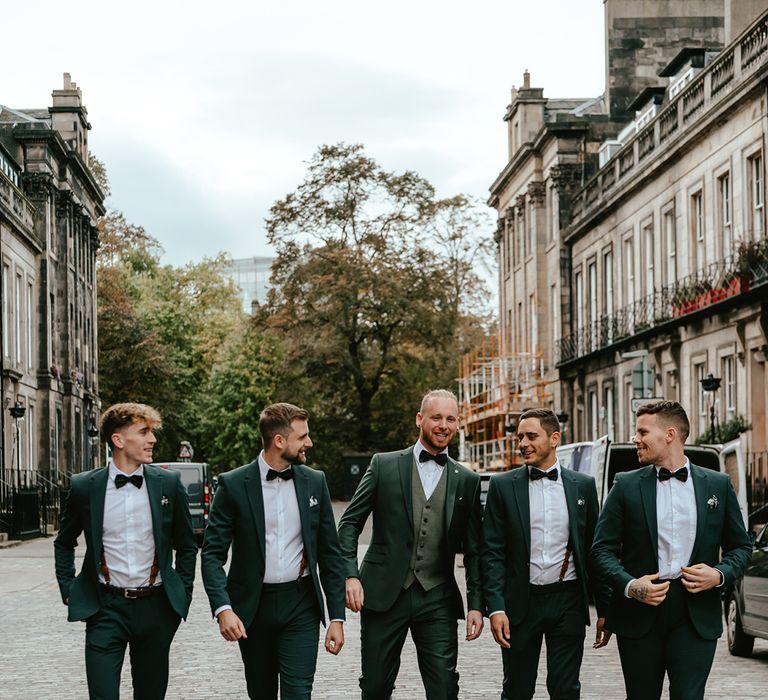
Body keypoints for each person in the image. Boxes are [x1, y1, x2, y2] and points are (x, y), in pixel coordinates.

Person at [591, 400, 751, 700]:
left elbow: (741, 547)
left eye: (642, 431)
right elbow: (601, 551)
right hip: (640, 611)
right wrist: (630, 585)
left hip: (695, 614)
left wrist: (718, 575)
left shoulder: (717, 484)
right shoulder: (625, 485)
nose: (635, 439)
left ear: (670, 434)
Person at [337, 389, 484, 700]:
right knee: (375, 687)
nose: (443, 425)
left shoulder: (467, 480)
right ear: (419, 419)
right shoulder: (384, 465)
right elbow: (349, 523)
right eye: (436, 417)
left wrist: (476, 604)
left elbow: (475, 550)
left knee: (444, 688)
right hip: (382, 593)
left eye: (451, 419)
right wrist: (350, 574)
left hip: (438, 597)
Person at [201, 403, 345, 700]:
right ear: (279, 441)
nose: (309, 442)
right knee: (261, 692)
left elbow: (331, 553)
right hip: (253, 608)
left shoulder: (315, 481)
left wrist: (337, 618)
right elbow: (212, 554)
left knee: (298, 694)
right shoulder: (233, 485)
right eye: (302, 436)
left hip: (301, 604)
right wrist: (223, 609)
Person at [54, 402, 197, 700]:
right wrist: (70, 590)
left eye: (152, 432)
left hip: (156, 608)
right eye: (143, 432)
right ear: (118, 440)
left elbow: (186, 545)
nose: (152, 439)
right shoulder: (85, 487)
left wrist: (181, 592)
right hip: (105, 608)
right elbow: (64, 542)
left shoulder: (168, 484)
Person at [482, 408, 610, 700]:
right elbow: (492, 552)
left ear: (554, 438)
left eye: (531, 436)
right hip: (520, 602)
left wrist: (605, 610)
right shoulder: (503, 486)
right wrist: (497, 607)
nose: (523, 443)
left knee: (566, 689)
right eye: (519, 438)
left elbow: (595, 551)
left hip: (568, 601)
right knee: (517, 689)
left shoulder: (584, 486)